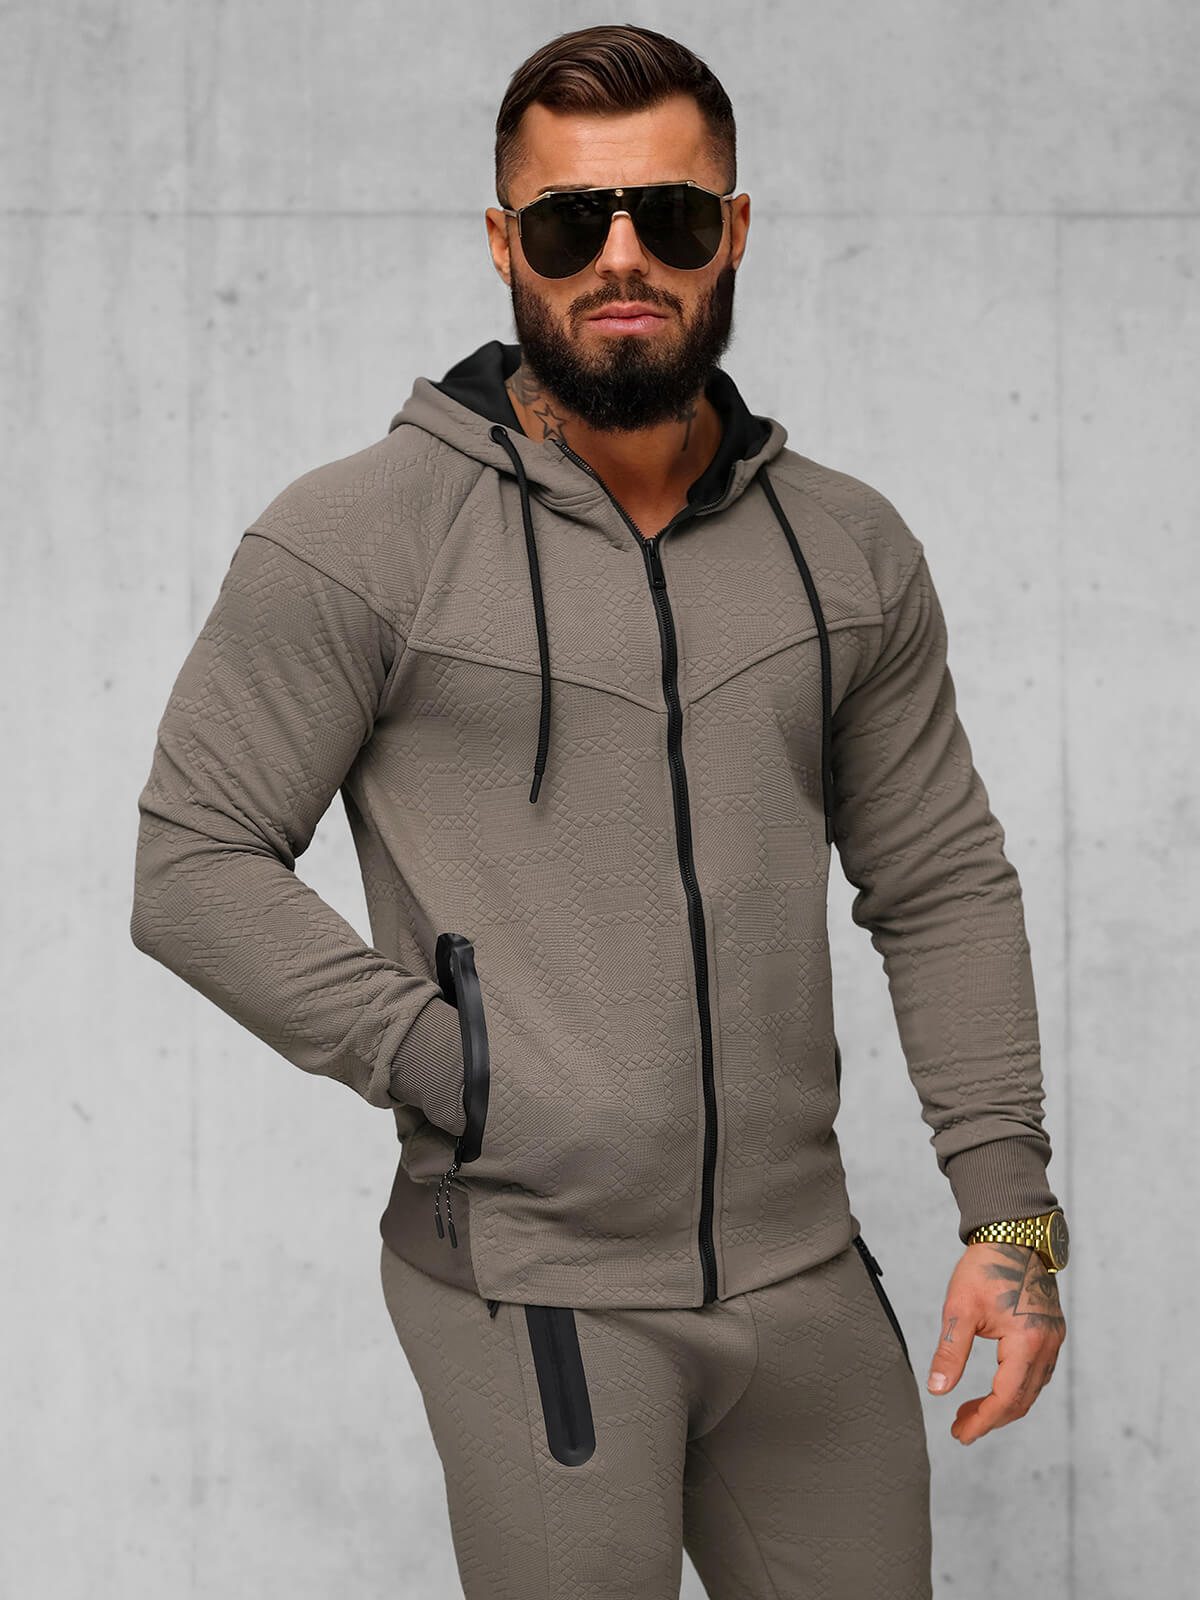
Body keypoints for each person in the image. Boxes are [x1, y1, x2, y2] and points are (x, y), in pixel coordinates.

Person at [130, 23, 1069, 1600]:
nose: (622, 258)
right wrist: (447, 1060)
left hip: (805, 1276)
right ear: (505, 242)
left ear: (734, 231)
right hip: (533, 1288)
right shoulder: (360, 538)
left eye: (672, 216)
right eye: (572, 223)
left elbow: (942, 886)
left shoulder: (847, 549)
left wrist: (1012, 1224)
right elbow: (190, 864)